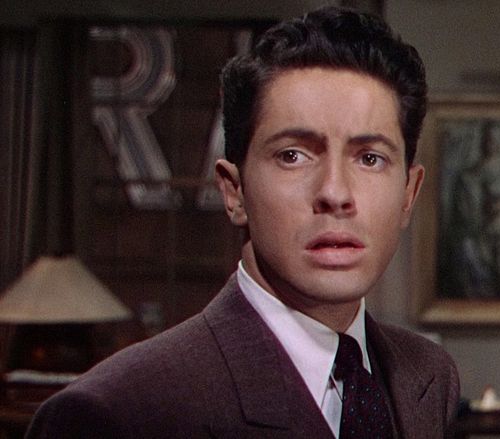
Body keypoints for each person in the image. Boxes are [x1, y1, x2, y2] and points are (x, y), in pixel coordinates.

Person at [25, 6, 460, 438]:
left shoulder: (427, 376)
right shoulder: (118, 412)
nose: (335, 193)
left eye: (370, 158)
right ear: (234, 192)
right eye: (293, 155)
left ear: (409, 194)